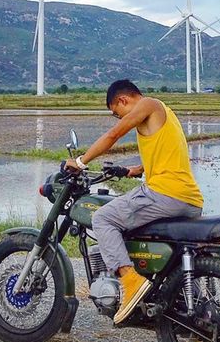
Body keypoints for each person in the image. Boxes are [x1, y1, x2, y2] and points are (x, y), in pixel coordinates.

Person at [65, 80, 203, 325]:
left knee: (103, 218)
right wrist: (134, 170)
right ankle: (192, 330)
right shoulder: (165, 114)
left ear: (123, 100)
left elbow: (113, 135)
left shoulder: (148, 104)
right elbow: (166, 157)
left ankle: (130, 281)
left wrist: (81, 162)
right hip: (189, 199)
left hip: (165, 194)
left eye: (117, 113)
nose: (118, 117)